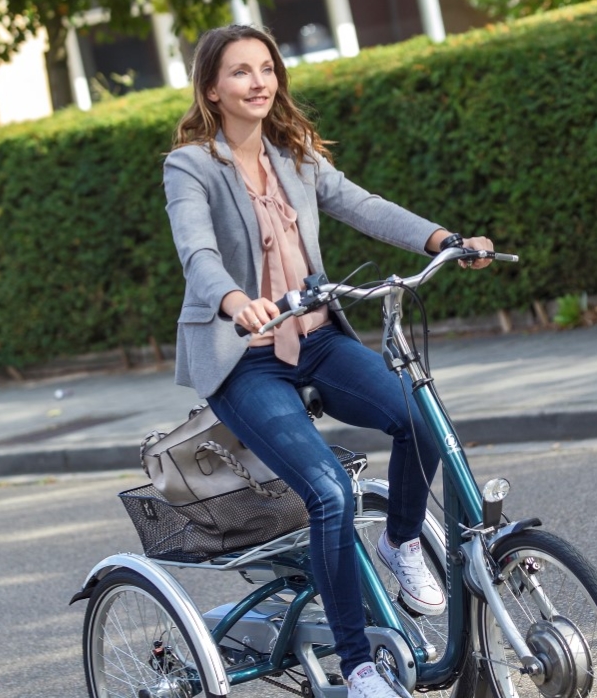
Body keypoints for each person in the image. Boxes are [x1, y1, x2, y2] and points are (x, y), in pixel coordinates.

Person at [163, 24, 495, 698]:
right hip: (246, 356)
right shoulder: (191, 165)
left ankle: (399, 540)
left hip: (316, 339)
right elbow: (196, 250)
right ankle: (360, 665)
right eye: (239, 72)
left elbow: (362, 206)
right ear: (210, 89)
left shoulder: (295, 155)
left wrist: (444, 238)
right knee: (327, 492)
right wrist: (233, 299)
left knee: (418, 419)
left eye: (266, 68)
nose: (258, 82)